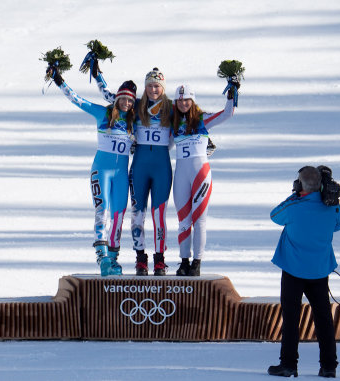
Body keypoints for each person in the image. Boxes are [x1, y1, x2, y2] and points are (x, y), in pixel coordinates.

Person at [47, 65, 137, 276]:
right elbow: (77, 99)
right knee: (102, 212)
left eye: (130, 100)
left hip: (122, 174)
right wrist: (60, 81)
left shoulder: (135, 119)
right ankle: (102, 257)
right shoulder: (103, 112)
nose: (126, 103)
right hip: (101, 171)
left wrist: (97, 75)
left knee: (119, 214)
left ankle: (114, 259)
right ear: (117, 99)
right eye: (123, 98)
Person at [93, 65, 173, 276]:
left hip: (161, 167)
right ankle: (140, 259)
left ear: (162, 88)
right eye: (150, 86)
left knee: (159, 215)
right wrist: (97, 75)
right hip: (138, 168)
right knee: (137, 215)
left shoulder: (170, 108)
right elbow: (112, 96)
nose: (153, 90)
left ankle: (159, 260)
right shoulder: (136, 106)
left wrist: (206, 141)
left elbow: (189, 117)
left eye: (157, 86)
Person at [268, 166, 340, 378]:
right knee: (323, 318)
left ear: (300, 185)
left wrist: (295, 195)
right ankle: (329, 366)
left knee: (291, 317)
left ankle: (288, 364)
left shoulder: (294, 207)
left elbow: (275, 215)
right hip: (319, 271)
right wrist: (330, 199)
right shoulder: (331, 208)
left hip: (293, 270)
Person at [172, 84, 236, 276]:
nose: (183, 103)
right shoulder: (173, 123)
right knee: (183, 220)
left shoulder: (202, 119)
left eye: (187, 100)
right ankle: (184, 261)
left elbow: (227, 113)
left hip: (200, 173)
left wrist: (232, 93)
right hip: (181, 174)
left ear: (193, 101)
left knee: (199, 219)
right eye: (180, 100)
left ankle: (197, 262)